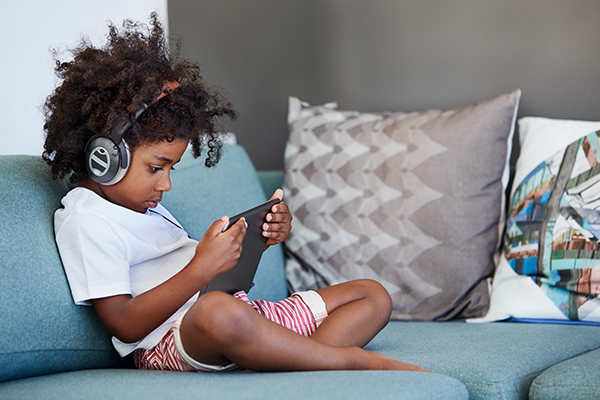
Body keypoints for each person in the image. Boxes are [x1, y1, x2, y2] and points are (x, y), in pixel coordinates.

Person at [43, 13, 430, 373]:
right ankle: (343, 362)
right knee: (216, 313)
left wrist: (256, 243)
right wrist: (202, 267)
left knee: (372, 295)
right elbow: (125, 326)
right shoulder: (87, 218)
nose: (166, 184)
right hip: (177, 338)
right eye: (156, 168)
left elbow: (226, 287)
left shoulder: (142, 207)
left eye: (171, 169)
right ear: (103, 158)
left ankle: (295, 362)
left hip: (241, 315)